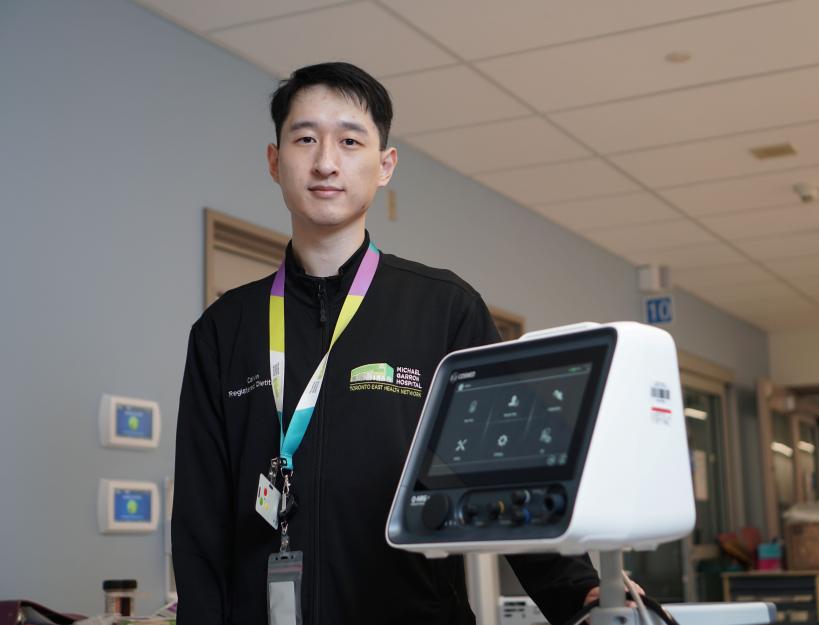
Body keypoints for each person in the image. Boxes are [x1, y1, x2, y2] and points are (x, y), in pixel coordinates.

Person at [171, 61, 600, 625]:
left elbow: (507, 478)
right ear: (275, 162)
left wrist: (585, 597)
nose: (326, 161)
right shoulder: (224, 328)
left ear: (385, 165)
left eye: (350, 140)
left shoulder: (444, 308)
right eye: (305, 139)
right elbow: (200, 519)